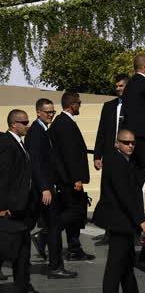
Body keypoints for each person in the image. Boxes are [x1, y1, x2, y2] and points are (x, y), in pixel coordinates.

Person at [93, 129, 145, 293]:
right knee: (115, 265)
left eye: (133, 143)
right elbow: (124, 195)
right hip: (119, 221)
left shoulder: (122, 160)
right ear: (117, 144)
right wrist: (140, 220)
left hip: (123, 220)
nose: (130, 146)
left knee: (126, 264)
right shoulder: (116, 162)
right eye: (126, 142)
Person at [25, 98, 78, 279]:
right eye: (48, 112)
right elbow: (36, 164)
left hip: (50, 188)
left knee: (36, 226)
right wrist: (45, 188)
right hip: (43, 191)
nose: (51, 115)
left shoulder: (45, 130)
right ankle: (55, 266)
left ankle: (53, 261)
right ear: (38, 112)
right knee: (45, 226)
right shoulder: (36, 133)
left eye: (53, 112)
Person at [48, 92, 94, 261]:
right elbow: (69, 155)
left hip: (67, 179)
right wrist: (76, 179)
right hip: (69, 180)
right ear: (71, 104)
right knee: (75, 211)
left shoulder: (63, 122)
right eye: (79, 103)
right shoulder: (65, 124)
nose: (80, 105)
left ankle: (75, 248)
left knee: (74, 213)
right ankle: (47, 234)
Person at [0, 110, 36, 293]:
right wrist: (2, 207)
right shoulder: (7, 144)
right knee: (7, 249)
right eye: (24, 122)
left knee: (23, 249)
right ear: (14, 124)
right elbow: (3, 177)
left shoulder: (19, 143)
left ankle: (23, 285)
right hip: (10, 210)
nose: (27, 125)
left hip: (21, 209)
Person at [93, 74, 128, 246]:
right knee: (108, 192)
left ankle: (130, 230)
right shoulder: (108, 106)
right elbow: (102, 131)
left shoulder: (136, 107)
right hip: (110, 155)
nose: (118, 89)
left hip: (129, 157)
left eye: (121, 86)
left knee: (127, 192)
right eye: (117, 86)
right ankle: (109, 230)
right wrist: (97, 155)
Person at [122, 54, 145, 186]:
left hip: (132, 134)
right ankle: (135, 193)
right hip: (143, 135)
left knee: (136, 167)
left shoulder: (131, 83)